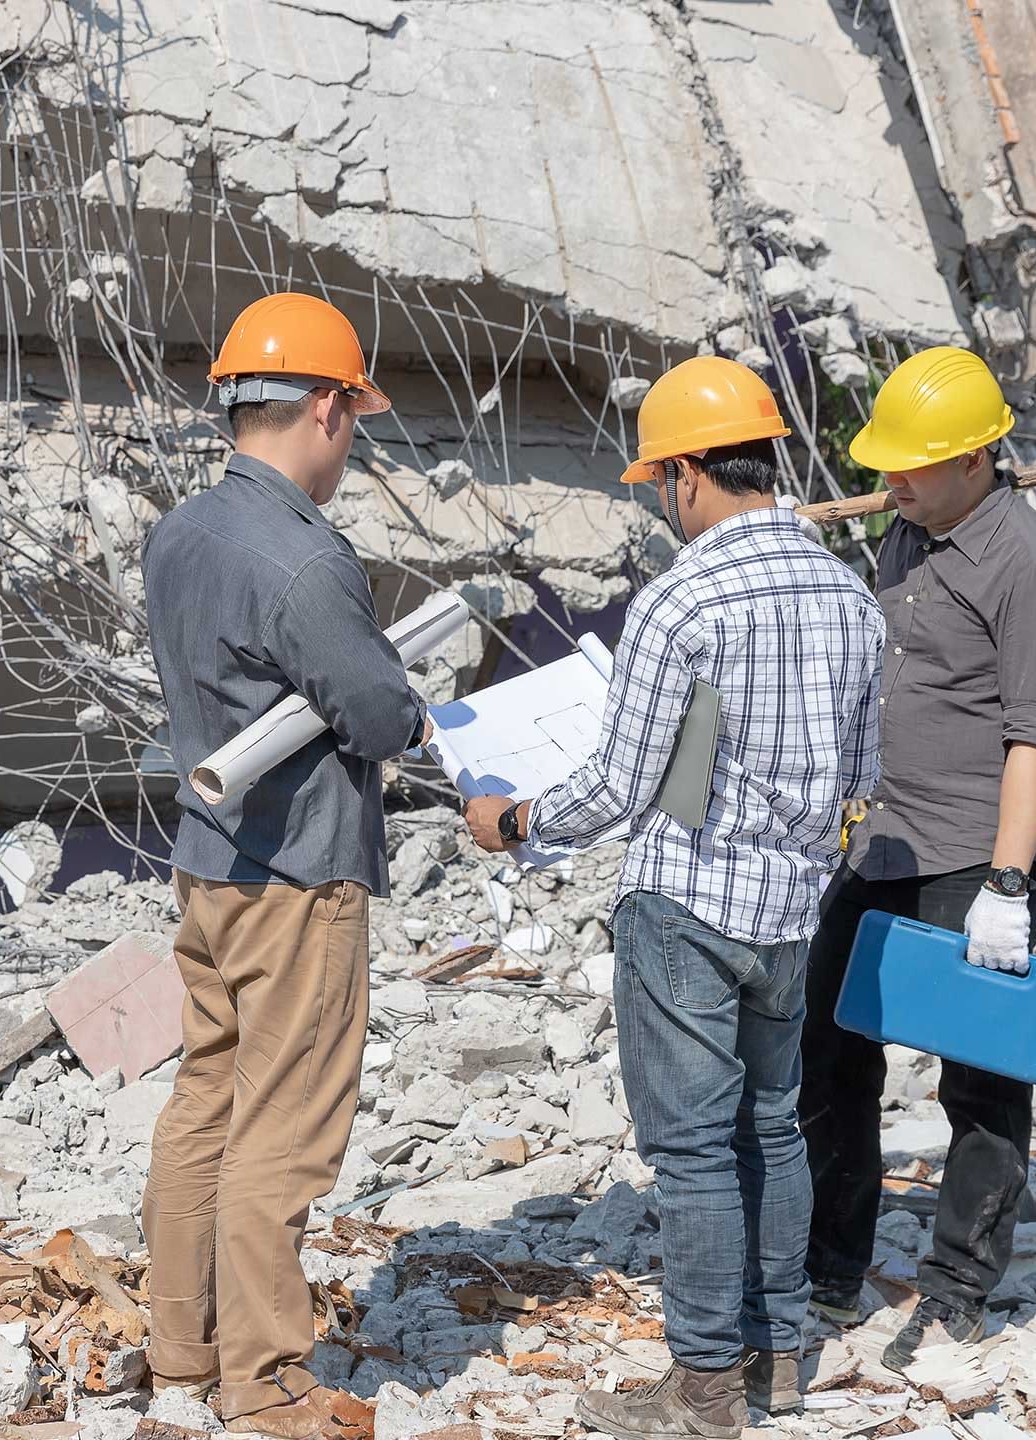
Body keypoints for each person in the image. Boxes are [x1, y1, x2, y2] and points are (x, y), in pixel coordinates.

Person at [461, 357, 884, 1440]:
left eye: (661, 480)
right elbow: (859, 773)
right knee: (773, 1130)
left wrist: (513, 823)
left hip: (688, 901)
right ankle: (777, 1355)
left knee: (694, 1151)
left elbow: (614, 787)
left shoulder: (683, 598)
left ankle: (701, 1391)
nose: (662, 499)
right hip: (791, 907)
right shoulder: (849, 593)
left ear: (691, 473)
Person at [137, 291, 427, 1439]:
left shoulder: (181, 531)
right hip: (298, 877)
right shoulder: (304, 559)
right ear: (328, 407)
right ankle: (265, 1384)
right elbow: (369, 710)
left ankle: (179, 1349)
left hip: (209, 867)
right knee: (286, 1129)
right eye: (353, 414)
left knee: (207, 1098)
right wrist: (410, 717)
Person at [797, 345, 1036, 1371]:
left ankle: (960, 1282)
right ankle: (830, 1268)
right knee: (829, 1053)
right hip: (882, 840)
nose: (890, 484)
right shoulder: (905, 535)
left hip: (977, 851)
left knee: (978, 1079)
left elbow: (1033, 740)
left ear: (977, 458)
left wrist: (1007, 890)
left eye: (912, 467)